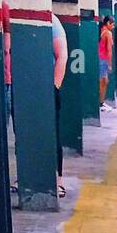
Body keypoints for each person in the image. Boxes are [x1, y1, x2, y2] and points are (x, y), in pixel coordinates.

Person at [52, 12, 68, 197]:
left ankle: (58, 180)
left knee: (53, 133)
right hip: (23, 86)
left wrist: (55, 86)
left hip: (48, 88)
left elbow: (62, 55)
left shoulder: (52, 22)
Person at [98, 15, 113, 107]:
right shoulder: (108, 33)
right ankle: (101, 103)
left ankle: (101, 102)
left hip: (98, 59)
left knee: (104, 81)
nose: (113, 27)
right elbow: (109, 50)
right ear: (108, 23)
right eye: (112, 24)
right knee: (103, 82)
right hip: (103, 60)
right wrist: (110, 64)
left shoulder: (100, 30)